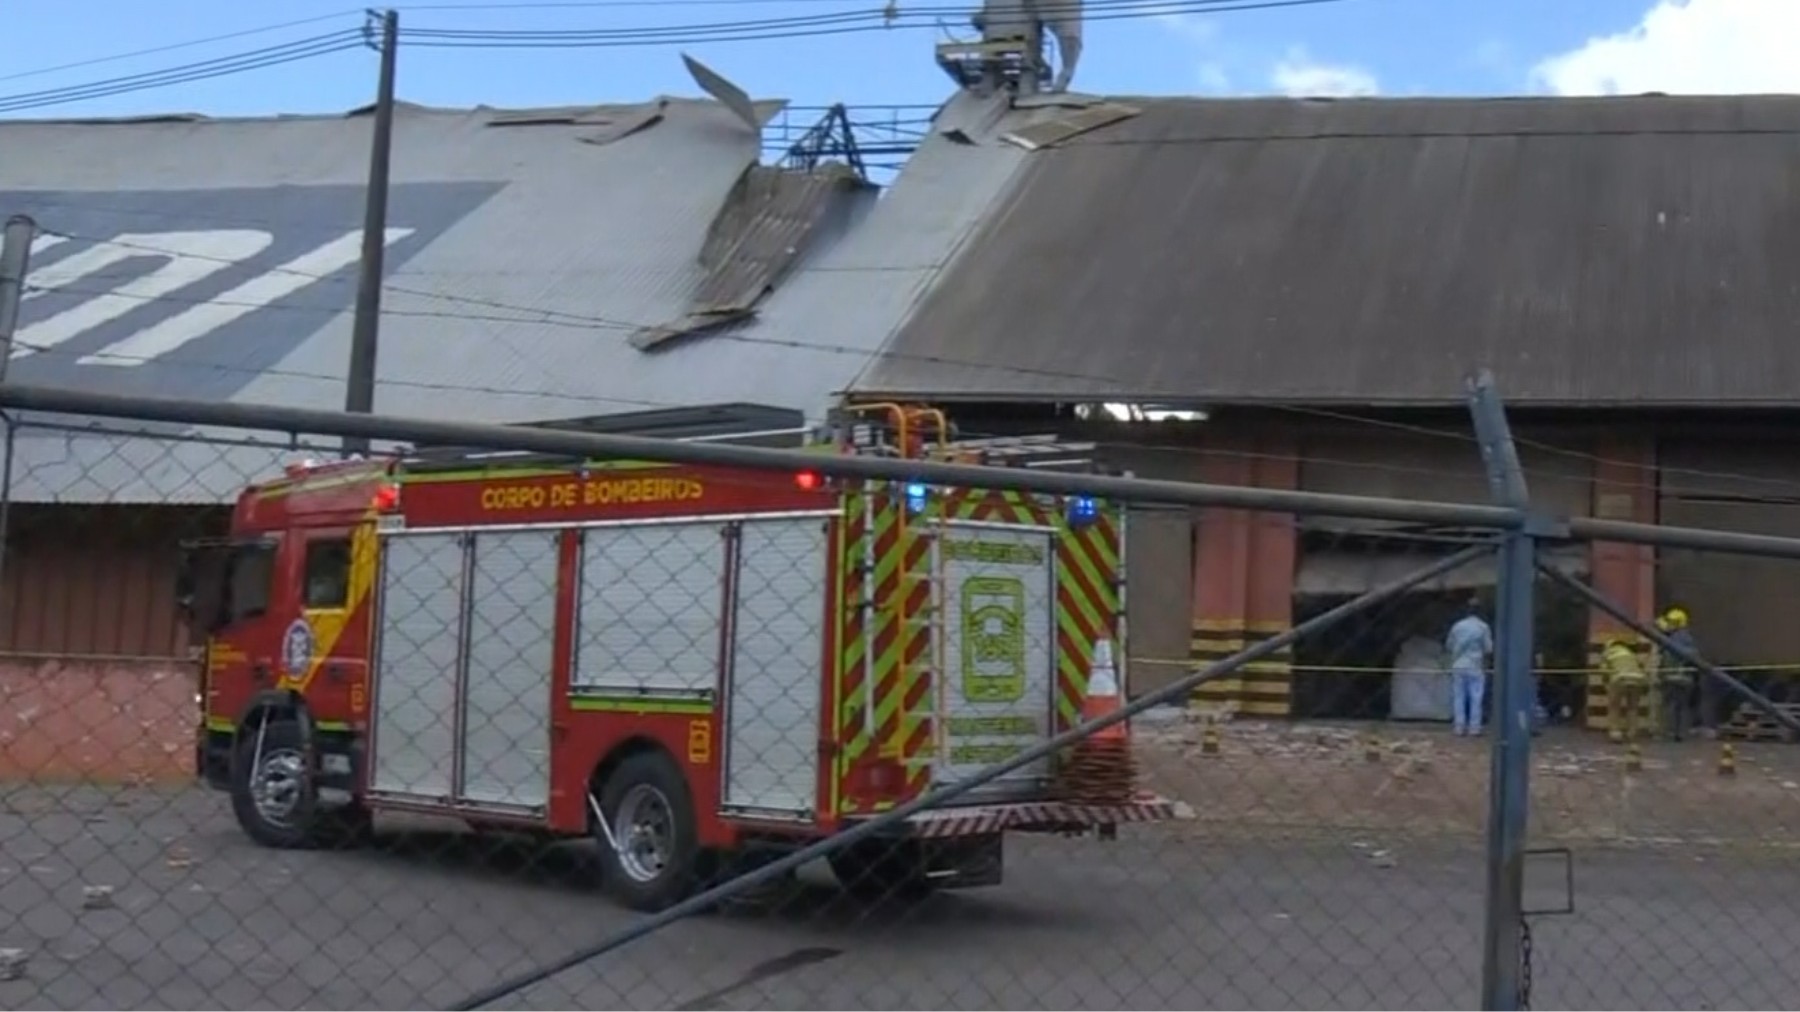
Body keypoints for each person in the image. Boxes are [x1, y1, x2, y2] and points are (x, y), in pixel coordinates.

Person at [1445, 597, 1494, 736]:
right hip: (1475, 665)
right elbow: (1488, 649)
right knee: (1476, 697)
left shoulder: (1457, 626)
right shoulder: (1483, 627)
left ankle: (1459, 727)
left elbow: (1449, 645)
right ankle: (1474, 728)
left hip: (1458, 664)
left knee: (1459, 697)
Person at [1655, 606, 1703, 740]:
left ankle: (1669, 732)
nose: (1668, 624)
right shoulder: (1687, 638)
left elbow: (1665, 656)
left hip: (1672, 677)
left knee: (1671, 706)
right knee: (1682, 706)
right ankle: (1680, 733)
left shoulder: (1673, 639)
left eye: (1670, 622)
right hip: (1685, 678)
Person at [1601, 636, 1649, 743]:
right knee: (1633, 708)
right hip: (1637, 680)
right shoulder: (1630, 653)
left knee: (1614, 707)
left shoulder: (1608, 653)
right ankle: (1632, 733)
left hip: (1619, 678)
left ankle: (1615, 733)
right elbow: (1641, 667)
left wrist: (1606, 685)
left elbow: (1604, 671)